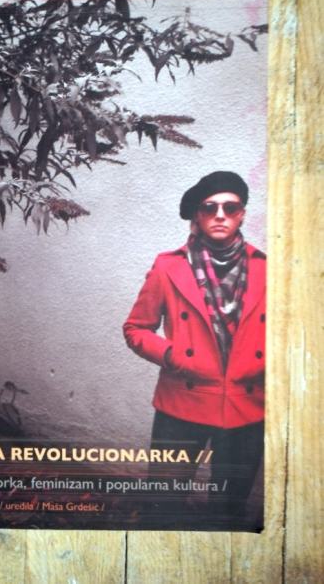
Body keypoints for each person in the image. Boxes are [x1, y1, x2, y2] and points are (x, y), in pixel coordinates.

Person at [123, 171, 266, 526]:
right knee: (163, 503)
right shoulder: (169, 266)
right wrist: (171, 355)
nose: (220, 215)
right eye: (209, 207)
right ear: (198, 216)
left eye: (230, 208)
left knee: (229, 510)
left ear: (242, 214)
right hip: (182, 403)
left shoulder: (267, 268)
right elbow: (136, 328)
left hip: (246, 406)